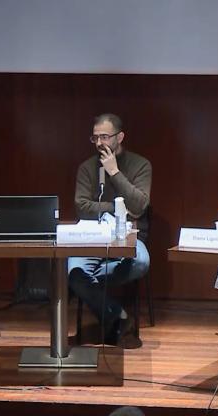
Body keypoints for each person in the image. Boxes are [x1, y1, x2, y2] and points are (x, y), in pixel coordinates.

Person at [68, 113, 151, 345]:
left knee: (141, 262)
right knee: (74, 273)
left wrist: (114, 172)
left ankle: (97, 297)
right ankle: (118, 315)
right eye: (95, 138)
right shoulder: (86, 168)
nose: (99, 143)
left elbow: (139, 206)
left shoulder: (140, 165)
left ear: (120, 137)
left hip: (129, 236)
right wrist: (115, 209)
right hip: (92, 235)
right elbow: (82, 207)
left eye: (105, 137)